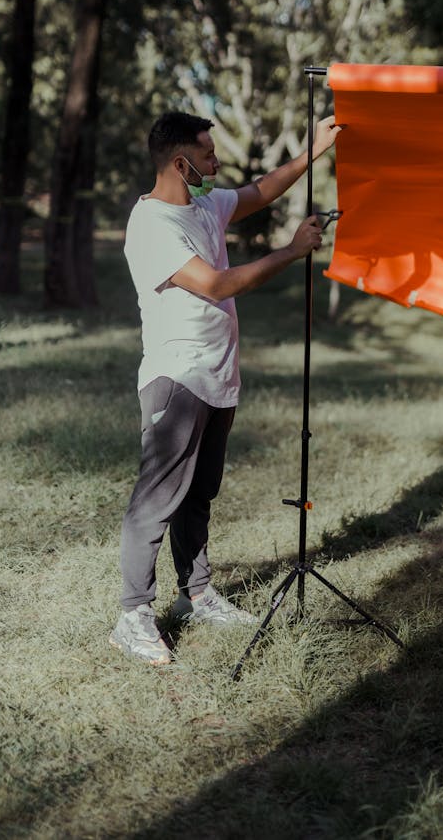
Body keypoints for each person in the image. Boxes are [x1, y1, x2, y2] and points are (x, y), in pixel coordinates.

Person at [110, 109, 342, 665]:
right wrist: (289, 252)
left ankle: (197, 595)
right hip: (177, 376)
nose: (217, 163)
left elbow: (259, 191)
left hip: (218, 375)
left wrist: (313, 152)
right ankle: (133, 615)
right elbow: (215, 284)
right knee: (157, 498)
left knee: (199, 494)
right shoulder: (152, 225)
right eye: (209, 156)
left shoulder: (205, 204)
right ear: (180, 162)